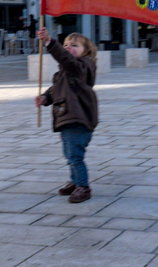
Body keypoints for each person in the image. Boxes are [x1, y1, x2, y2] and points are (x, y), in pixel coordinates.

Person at [35, 27, 98, 203]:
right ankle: (75, 181)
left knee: (75, 156)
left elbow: (67, 60)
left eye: (74, 45)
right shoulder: (64, 72)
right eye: (66, 44)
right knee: (69, 154)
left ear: (85, 51)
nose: (69, 47)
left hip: (78, 119)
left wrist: (50, 42)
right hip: (66, 117)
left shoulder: (82, 67)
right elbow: (56, 89)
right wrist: (45, 97)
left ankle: (83, 187)